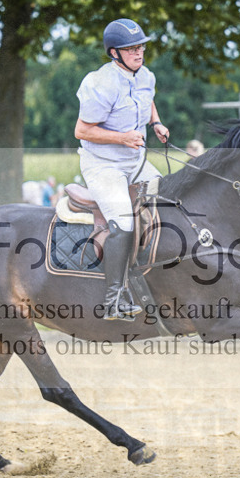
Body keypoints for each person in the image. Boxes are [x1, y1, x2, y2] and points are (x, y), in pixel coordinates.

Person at [74, 18, 169, 320]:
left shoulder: (147, 75)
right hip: (103, 164)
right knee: (124, 222)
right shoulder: (100, 83)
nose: (139, 52)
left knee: (169, 199)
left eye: (140, 46)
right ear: (114, 53)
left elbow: (148, 98)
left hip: (135, 160)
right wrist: (123, 137)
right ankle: (113, 298)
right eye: (131, 49)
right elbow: (82, 130)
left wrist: (156, 123)